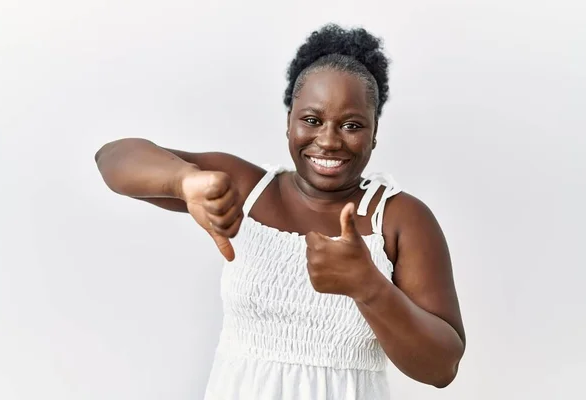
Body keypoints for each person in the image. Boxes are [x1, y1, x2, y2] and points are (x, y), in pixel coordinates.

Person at [95, 23, 465, 400]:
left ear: (374, 133)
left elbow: (441, 368)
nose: (328, 140)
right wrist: (184, 182)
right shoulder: (245, 188)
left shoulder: (400, 219)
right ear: (289, 122)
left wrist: (369, 287)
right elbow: (113, 157)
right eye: (311, 120)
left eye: (352, 125)